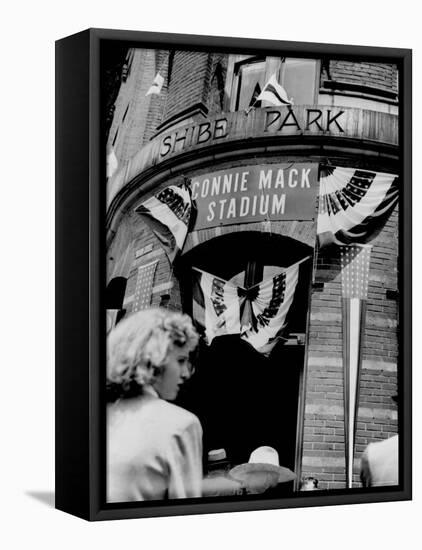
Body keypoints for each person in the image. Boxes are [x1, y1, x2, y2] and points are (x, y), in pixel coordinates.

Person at [106, 308, 203, 503]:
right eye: (181, 360)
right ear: (154, 358)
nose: (186, 373)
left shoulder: (101, 415)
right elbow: (185, 512)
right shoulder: (181, 424)